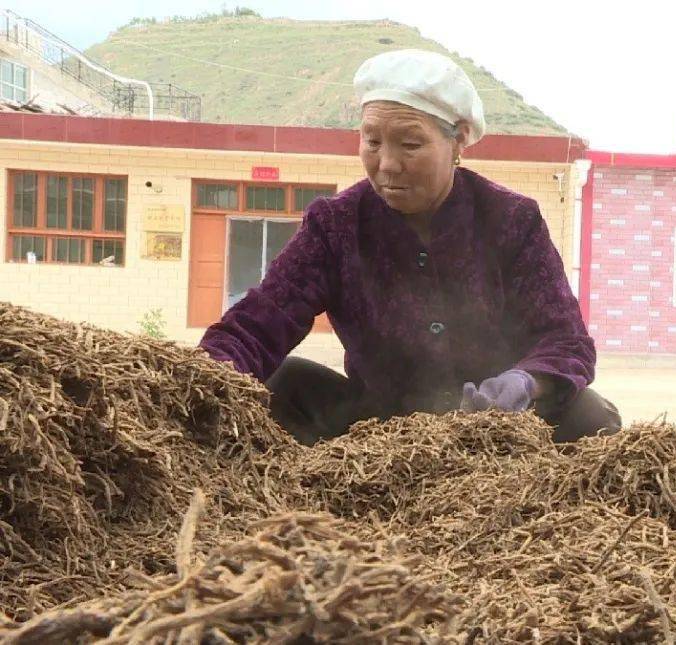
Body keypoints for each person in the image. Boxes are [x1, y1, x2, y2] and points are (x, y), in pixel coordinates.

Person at [199, 49, 621, 446]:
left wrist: (525, 382)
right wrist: (193, 379)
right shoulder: (335, 225)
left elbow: (567, 342)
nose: (386, 163)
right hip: (372, 431)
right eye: (372, 141)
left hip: (500, 434)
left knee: (591, 416)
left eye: (410, 144)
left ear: (457, 142)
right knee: (283, 383)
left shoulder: (511, 220)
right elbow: (259, 323)